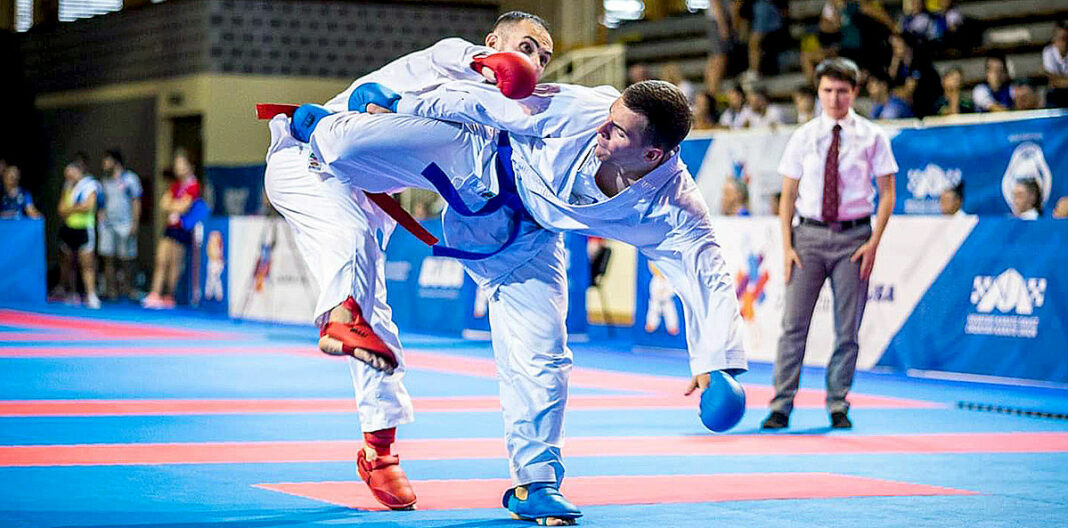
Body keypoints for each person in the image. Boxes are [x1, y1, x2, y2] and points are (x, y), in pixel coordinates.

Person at [282, 78, 748, 524]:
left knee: (544, 355)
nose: (603, 128)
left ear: (652, 154)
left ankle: (535, 483)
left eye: (618, 131)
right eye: (610, 117)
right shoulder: (581, 109)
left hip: (526, 237)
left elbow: (707, 270)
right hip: (481, 153)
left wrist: (717, 364)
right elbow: (483, 102)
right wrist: (403, 102)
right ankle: (321, 129)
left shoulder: (674, 206)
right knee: (348, 147)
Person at [263, 11, 557, 515]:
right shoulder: (452, 59)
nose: (534, 62)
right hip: (307, 157)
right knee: (350, 244)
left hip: (369, 191)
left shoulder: (500, 116)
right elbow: (462, 60)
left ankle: (378, 452)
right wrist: (494, 63)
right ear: (493, 42)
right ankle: (339, 315)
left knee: (374, 314)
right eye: (526, 47)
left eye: (544, 58)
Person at [762, 58, 897, 430]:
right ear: (818, 92)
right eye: (827, 90)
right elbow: (788, 196)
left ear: (854, 92)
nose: (835, 98)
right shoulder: (804, 136)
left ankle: (838, 403)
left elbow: (887, 194)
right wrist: (787, 246)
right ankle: (780, 405)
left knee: (847, 329)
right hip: (807, 236)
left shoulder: (873, 136)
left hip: (854, 238)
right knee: (793, 326)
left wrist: (874, 243)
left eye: (842, 91)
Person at [143, 149, 200, 309]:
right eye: (177, 164)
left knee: (174, 264)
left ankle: (170, 296)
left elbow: (184, 207)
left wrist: (174, 205)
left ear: (190, 166)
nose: (178, 167)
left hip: (183, 229)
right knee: (161, 259)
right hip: (170, 228)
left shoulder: (194, 185)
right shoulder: (175, 186)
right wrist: (175, 205)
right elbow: (163, 204)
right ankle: (155, 294)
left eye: (182, 164)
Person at [56, 156, 102, 309]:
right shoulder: (67, 186)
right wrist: (75, 208)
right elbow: (61, 209)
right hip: (69, 228)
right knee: (69, 262)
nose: (68, 176)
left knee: (87, 263)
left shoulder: (90, 185)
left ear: (78, 171)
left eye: (70, 173)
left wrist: (70, 209)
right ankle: (72, 293)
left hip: (84, 228)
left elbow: (88, 206)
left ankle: (91, 295)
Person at [97, 149, 142, 301]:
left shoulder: (130, 179)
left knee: (127, 258)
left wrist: (135, 223)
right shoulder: (104, 180)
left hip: (125, 224)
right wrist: (101, 219)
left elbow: (136, 201)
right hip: (108, 225)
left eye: (106, 161)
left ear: (115, 162)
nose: (103, 164)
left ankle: (130, 289)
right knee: (107, 257)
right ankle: (111, 290)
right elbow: (101, 202)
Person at [704, 0, 737, 97]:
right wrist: (722, 25)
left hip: (718, 19)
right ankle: (712, 93)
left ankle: (710, 92)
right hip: (718, 20)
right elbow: (716, 2)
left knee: (715, 58)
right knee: (720, 58)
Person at [1044, 22, 1068, 108]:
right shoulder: (1048, 52)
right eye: (1062, 38)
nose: (1065, 42)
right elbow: (1053, 81)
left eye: (1067, 38)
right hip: (1056, 94)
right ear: (1054, 39)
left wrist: (1060, 80)